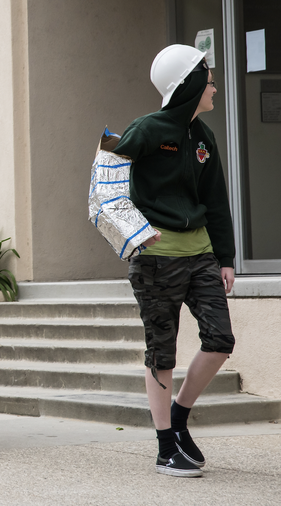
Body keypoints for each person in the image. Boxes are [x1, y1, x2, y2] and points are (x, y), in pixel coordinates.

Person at [116, 44, 235, 478]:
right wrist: (129, 232)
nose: (215, 88)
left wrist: (226, 257)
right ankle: (167, 446)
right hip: (155, 261)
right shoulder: (146, 130)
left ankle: (180, 418)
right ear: (187, 85)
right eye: (208, 81)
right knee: (161, 351)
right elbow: (107, 182)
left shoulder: (203, 136)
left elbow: (215, 200)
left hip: (201, 254)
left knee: (220, 340)